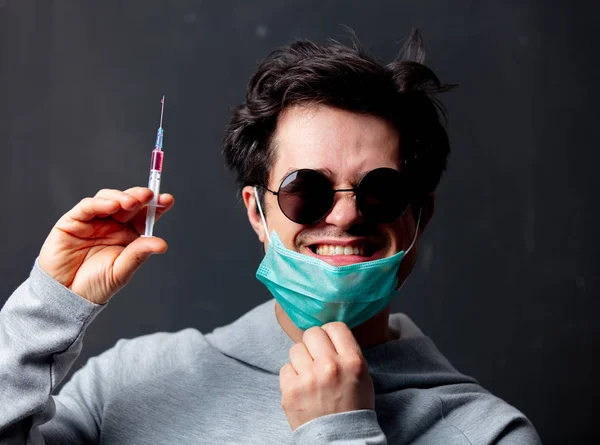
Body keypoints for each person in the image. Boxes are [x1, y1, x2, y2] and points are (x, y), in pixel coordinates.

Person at [0, 30, 541, 444]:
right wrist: (46, 310)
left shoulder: (488, 432)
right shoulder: (127, 384)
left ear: (420, 214)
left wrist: (339, 431)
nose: (345, 217)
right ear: (258, 213)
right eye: (306, 189)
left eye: (381, 191)